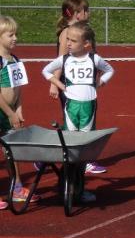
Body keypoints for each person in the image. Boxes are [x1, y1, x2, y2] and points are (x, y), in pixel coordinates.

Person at [42, 22, 114, 203]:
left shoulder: (94, 59)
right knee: (70, 144)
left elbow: (110, 70)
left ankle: (79, 188)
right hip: (71, 106)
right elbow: (46, 70)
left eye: (73, 41)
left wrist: (100, 82)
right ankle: (67, 186)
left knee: (84, 146)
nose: (68, 43)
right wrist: (59, 85)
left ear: (86, 43)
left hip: (89, 105)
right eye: (68, 39)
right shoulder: (64, 59)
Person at [53, 0, 106, 174]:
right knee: (77, 122)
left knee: (80, 120)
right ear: (77, 13)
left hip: (83, 85)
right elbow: (60, 60)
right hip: (71, 86)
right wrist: (54, 84)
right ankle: (82, 159)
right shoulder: (67, 33)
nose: (89, 13)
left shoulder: (81, 32)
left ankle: (71, 156)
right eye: (86, 10)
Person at [0, 15, 40, 210]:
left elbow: (18, 88)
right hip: (3, 111)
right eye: (10, 35)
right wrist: (10, 113)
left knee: (11, 150)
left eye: (16, 34)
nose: (15, 38)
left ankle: (16, 188)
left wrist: (18, 109)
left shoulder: (15, 59)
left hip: (9, 112)